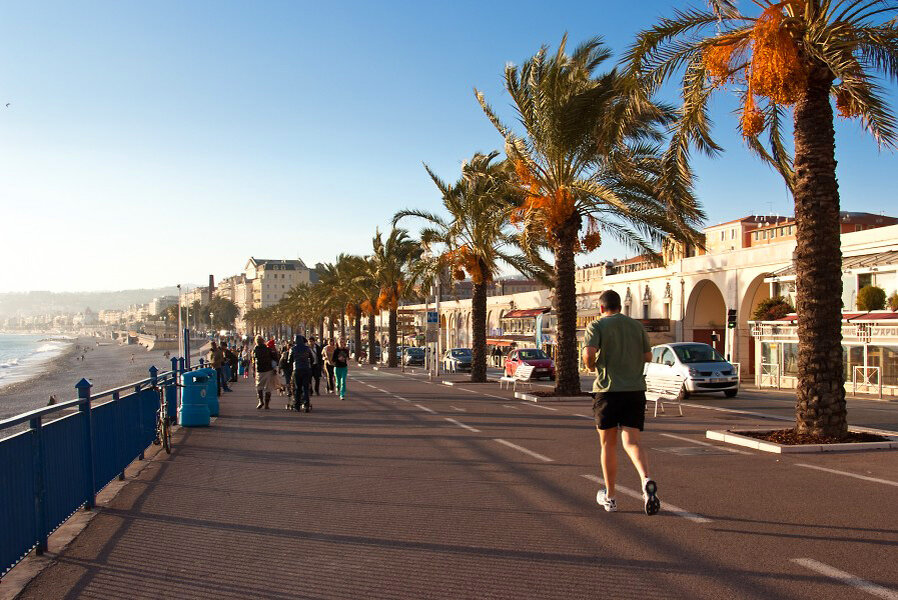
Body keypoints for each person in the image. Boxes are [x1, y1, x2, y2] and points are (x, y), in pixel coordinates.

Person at [581, 289, 660, 516]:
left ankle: (611, 497)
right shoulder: (636, 326)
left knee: (608, 445)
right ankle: (646, 481)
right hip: (635, 390)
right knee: (633, 441)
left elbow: (588, 353)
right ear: (620, 307)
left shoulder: (597, 326)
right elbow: (648, 356)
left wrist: (591, 366)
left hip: (608, 390)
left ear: (602, 307)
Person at [288, 335, 313, 412]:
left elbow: (289, 360)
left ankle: (297, 406)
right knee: (305, 388)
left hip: (297, 369)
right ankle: (306, 405)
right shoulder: (307, 348)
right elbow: (312, 358)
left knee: (297, 388)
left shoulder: (293, 349)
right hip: (306, 369)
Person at [252, 335, 276, 409]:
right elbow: (275, 358)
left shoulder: (255, 350)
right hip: (268, 369)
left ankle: (260, 401)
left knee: (259, 386)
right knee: (268, 387)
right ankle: (266, 404)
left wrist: (253, 370)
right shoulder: (268, 349)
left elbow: (253, 362)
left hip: (259, 370)